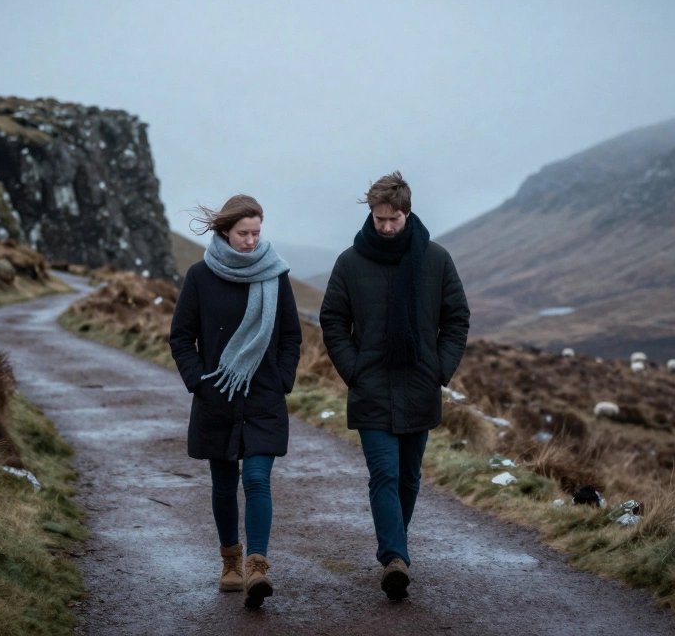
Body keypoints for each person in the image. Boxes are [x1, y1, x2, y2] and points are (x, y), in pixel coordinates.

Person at [318, 171, 470, 601]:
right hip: (371, 389)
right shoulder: (351, 262)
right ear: (371, 213)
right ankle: (394, 559)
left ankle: (395, 551)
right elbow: (333, 320)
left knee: (409, 478)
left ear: (407, 212)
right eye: (380, 218)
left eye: (393, 219)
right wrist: (354, 370)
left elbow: (457, 318)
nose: (386, 227)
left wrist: (438, 369)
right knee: (384, 473)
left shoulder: (435, 259)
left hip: (419, 386)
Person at [169, 194, 301, 609]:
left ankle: (257, 569)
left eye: (257, 232)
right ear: (225, 231)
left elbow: (291, 336)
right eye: (244, 233)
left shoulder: (275, 275)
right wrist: (199, 383)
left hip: (263, 398)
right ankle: (230, 562)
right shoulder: (201, 276)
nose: (251, 241)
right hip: (218, 398)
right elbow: (181, 338)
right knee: (224, 484)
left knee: (257, 479)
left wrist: (282, 379)